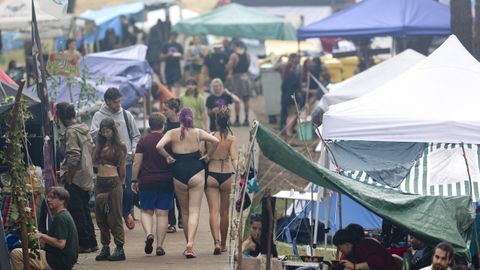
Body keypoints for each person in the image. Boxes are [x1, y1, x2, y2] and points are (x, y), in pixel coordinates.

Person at [156, 108, 219, 258]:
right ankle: (190, 243)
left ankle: (188, 244)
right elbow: (216, 141)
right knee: (194, 210)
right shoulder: (198, 132)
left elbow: (158, 146)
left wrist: (167, 157)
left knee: (184, 211)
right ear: (191, 118)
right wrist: (208, 155)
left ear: (179, 118)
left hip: (178, 171)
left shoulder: (172, 132)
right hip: (196, 169)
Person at [90, 87, 140, 230]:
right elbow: (92, 134)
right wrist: (106, 132)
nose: (118, 104)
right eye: (115, 102)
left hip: (126, 159)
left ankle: (125, 212)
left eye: (119, 101)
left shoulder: (126, 114)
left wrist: (134, 148)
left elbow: (136, 135)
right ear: (107, 101)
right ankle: (115, 219)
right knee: (109, 193)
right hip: (107, 163)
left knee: (127, 191)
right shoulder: (98, 116)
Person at [55, 102, 98, 253]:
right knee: (85, 210)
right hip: (86, 174)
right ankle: (92, 242)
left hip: (77, 177)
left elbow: (73, 157)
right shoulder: (83, 128)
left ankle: (85, 244)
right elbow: (91, 149)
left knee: (77, 211)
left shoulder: (71, 132)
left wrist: (69, 178)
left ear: (60, 116)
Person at [131, 113, 173, 256]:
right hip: (166, 180)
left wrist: (134, 180)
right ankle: (160, 246)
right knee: (162, 214)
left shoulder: (143, 141)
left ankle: (149, 234)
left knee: (146, 211)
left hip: (147, 180)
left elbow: (137, 163)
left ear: (150, 125)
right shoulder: (168, 140)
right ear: (163, 124)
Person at [10, 187, 78, 270]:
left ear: (62, 201)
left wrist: (42, 236)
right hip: (62, 258)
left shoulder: (61, 218)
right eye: (48, 197)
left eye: (52, 198)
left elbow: (61, 244)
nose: (48, 200)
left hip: (58, 260)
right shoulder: (63, 214)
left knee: (16, 253)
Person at [93, 118, 127, 261]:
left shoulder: (120, 146)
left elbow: (123, 167)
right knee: (100, 217)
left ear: (113, 131)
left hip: (113, 181)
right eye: (103, 131)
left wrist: (123, 182)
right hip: (100, 182)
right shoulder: (98, 144)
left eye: (108, 131)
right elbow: (93, 162)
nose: (106, 134)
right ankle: (105, 247)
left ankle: (119, 247)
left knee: (115, 217)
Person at [205, 107, 238, 254]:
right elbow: (234, 158)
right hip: (226, 175)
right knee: (224, 212)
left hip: (211, 174)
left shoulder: (210, 136)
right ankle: (224, 244)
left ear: (216, 122)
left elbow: (203, 154)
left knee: (213, 211)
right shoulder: (231, 139)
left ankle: (216, 242)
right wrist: (238, 170)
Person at [332, 228, 400, 270]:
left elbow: (376, 262)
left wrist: (355, 266)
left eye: (339, 247)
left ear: (347, 244)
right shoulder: (352, 252)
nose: (340, 250)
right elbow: (340, 266)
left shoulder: (366, 244)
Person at [163, 98, 183, 232]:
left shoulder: (183, 125)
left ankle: (182, 217)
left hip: (181, 162)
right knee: (170, 192)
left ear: (174, 110)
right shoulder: (165, 126)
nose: (164, 112)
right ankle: (171, 222)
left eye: (166, 110)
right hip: (168, 162)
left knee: (181, 193)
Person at [227, 40, 251, 127]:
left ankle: (237, 120)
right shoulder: (247, 55)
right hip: (246, 78)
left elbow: (229, 66)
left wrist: (229, 71)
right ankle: (246, 119)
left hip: (237, 79)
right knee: (246, 99)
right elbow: (248, 65)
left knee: (237, 100)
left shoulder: (234, 56)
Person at [280, 53, 301, 136]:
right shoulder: (292, 76)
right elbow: (296, 86)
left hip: (286, 96)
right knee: (293, 114)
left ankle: (288, 130)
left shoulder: (285, 76)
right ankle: (289, 130)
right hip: (291, 97)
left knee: (290, 114)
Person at [161, 31, 183, 97]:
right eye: (172, 36)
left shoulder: (179, 46)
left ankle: (177, 98)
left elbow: (183, 56)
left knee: (177, 83)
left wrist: (179, 55)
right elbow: (161, 57)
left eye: (175, 36)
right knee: (169, 84)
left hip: (177, 67)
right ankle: (170, 97)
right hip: (168, 67)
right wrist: (168, 54)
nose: (174, 38)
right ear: (170, 37)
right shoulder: (165, 45)